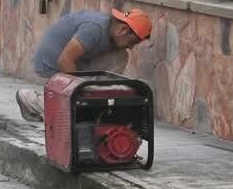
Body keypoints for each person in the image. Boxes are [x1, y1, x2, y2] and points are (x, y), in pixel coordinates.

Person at [16, 8, 152, 122]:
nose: (131, 47)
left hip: (76, 62)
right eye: (132, 41)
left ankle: (95, 101)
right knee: (71, 111)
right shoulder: (94, 29)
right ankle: (29, 99)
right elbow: (65, 61)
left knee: (120, 56)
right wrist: (79, 94)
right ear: (122, 30)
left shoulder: (110, 31)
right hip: (51, 65)